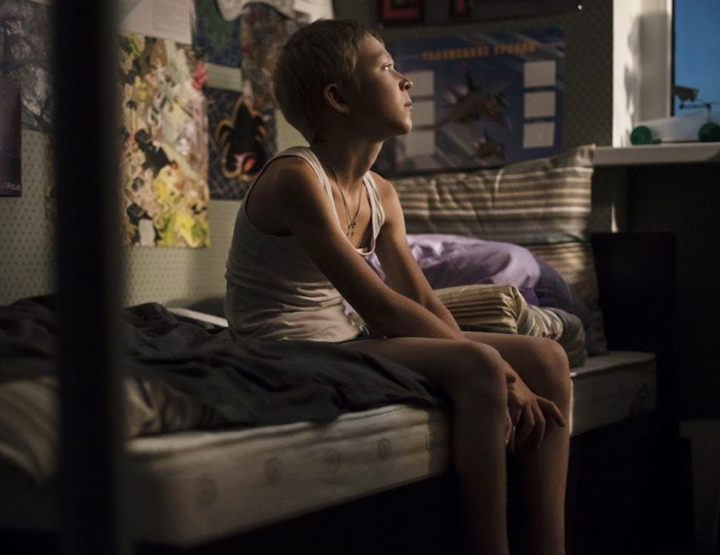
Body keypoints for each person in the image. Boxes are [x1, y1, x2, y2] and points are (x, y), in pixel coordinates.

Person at [224, 20, 571, 555]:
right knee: (481, 366)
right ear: (339, 98)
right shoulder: (296, 178)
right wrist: (496, 370)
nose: (405, 80)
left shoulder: (381, 193)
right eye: (387, 68)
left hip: (345, 340)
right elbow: (381, 307)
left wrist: (495, 358)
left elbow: (420, 297)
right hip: (285, 349)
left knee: (547, 357)